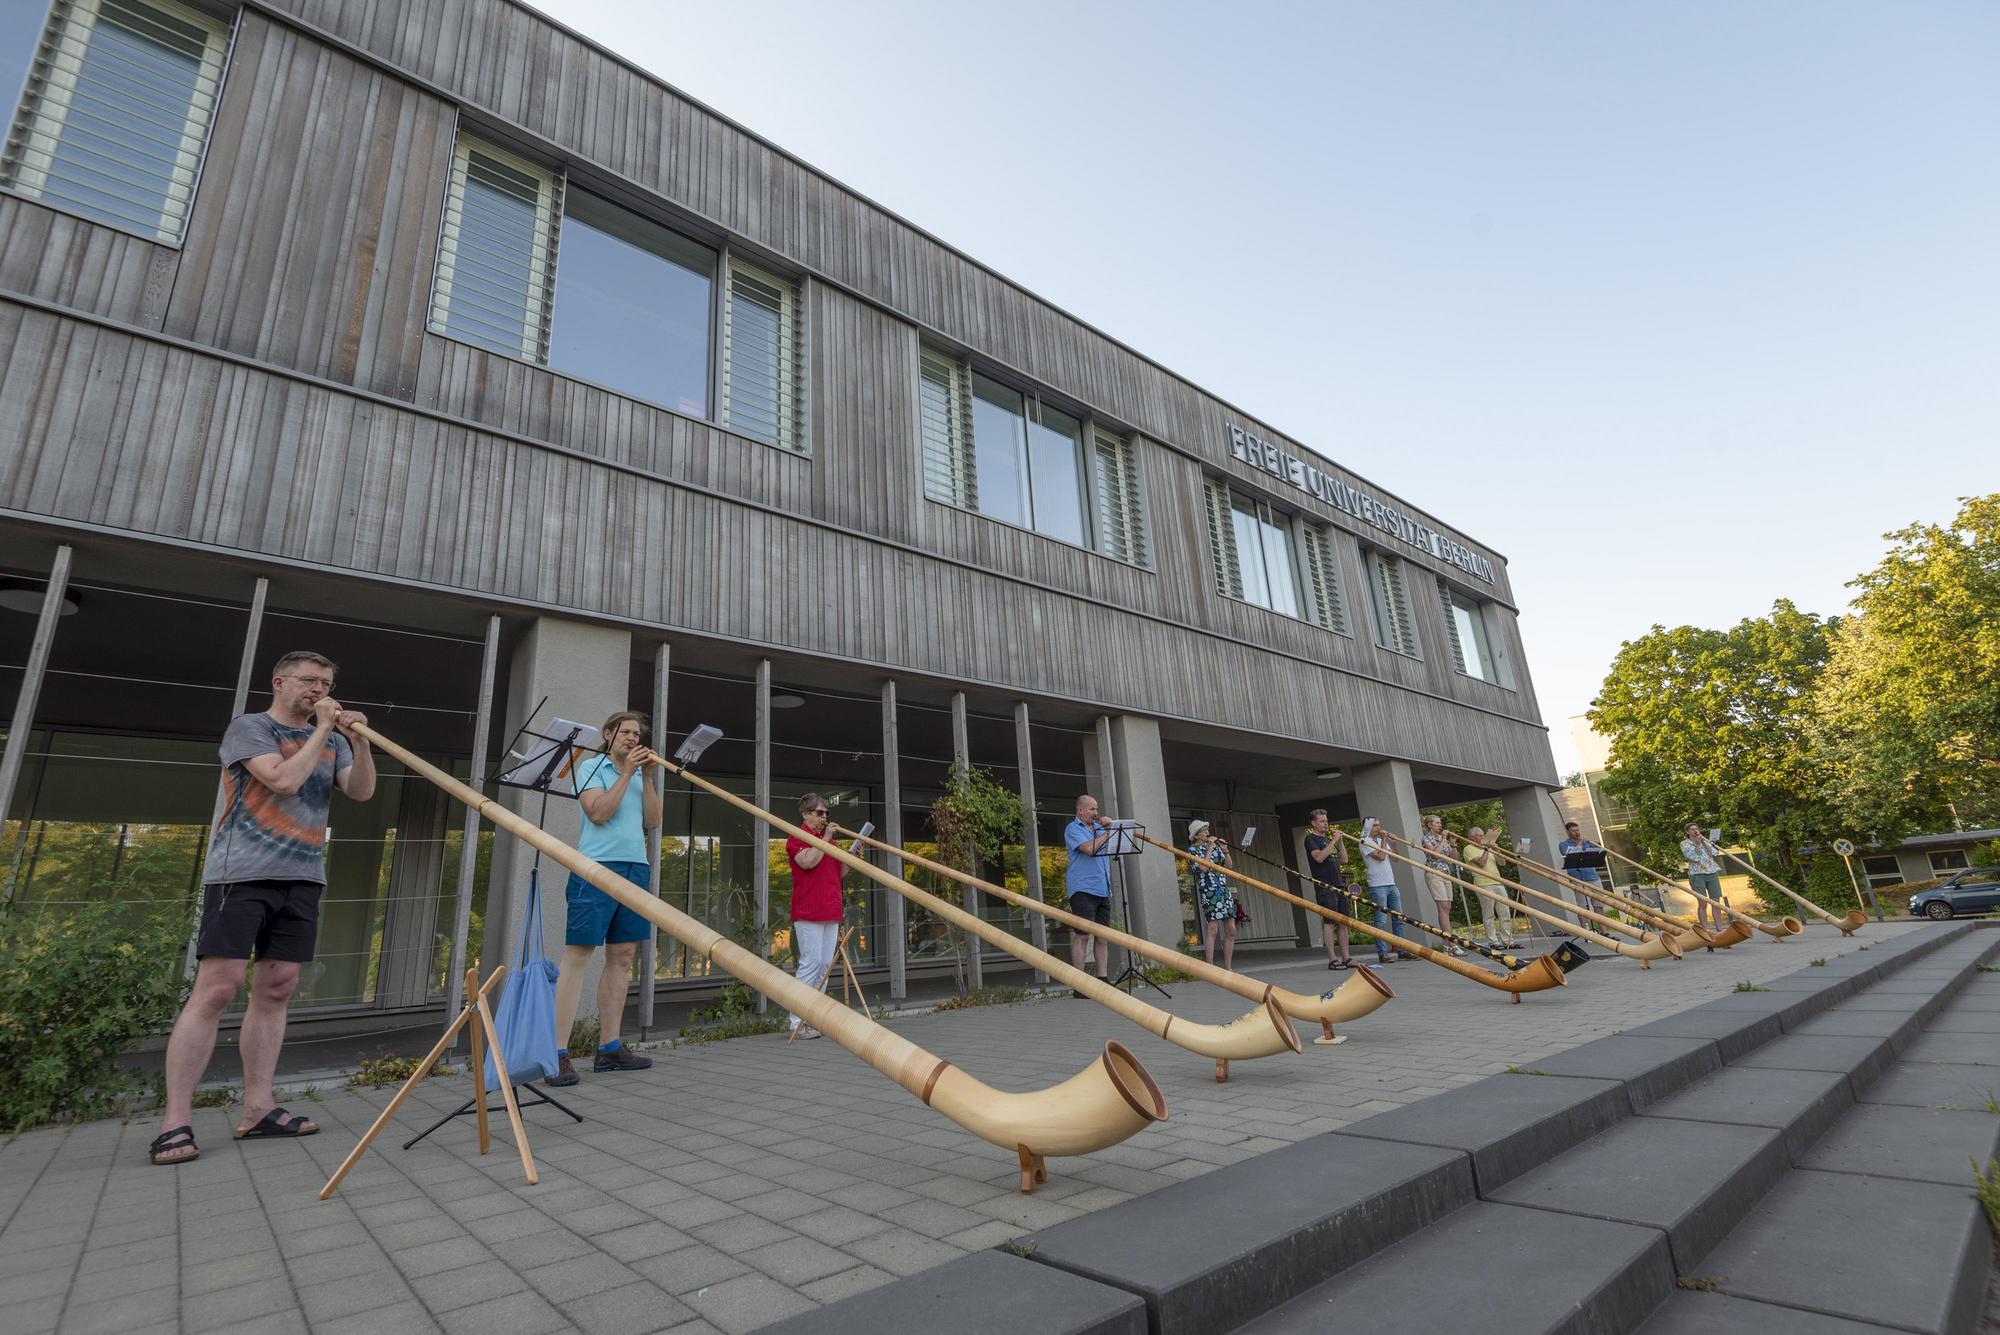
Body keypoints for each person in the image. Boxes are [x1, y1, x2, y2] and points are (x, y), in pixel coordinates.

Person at [151, 651, 377, 1166]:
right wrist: (323, 729)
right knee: (217, 989)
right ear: (280, 682)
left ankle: (258, 1110)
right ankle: (175, 1121)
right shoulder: (250, 728)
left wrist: (358, 743)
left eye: (326, 683)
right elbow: (282, 780)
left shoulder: (337, 740)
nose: (318, 690)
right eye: (308, 681)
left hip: (302, 876)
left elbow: (361, 792)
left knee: (277, 988)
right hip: (241, 875)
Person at [547, 710, 662, 1086]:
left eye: (637, 734)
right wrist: (627, 771)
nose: (633, 738)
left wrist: (645, 777)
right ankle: (557, 1052)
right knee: (579, 954)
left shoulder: (638, 774)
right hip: (595, 867)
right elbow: (597, 813)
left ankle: (609, 1047)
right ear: (608, 735)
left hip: (635, 868)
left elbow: (653, 820)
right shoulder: (591, 766)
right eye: (625, 732)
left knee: (623, 957)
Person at [784, 794, 844, 1039]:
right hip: (809, 910)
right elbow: (807, 862)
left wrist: (851, 855)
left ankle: (815, 1018)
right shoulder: (796, 836)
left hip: (830, 908)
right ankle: (797, 1021)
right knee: (810, 963)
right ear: (805, 814)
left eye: (826, 813)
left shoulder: (826, 841)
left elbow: (839, 873)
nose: (824, 818)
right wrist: (827, 839)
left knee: (825, 967)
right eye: (819, 813)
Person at [1064, 795, 1115, 995]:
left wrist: (1111, 826)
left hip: (1103, 888)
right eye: (1092, 809)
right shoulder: (1072, 829)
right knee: (1082, 936)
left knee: (1102, 936)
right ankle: (1080, 984)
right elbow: (1089, 849)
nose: (1096, 813)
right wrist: (1106, 833)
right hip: (1082, 889)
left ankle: (1102, 979)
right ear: (1081, 811)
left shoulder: (1100, 828)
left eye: (1097, 809)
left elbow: (1115, 843)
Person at [1359, 818, 1416, 964]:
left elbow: (1395, 858)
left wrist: (1393, 842)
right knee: (1381, 920)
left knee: (1399, 919)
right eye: (1375, 825)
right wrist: (1384, 838)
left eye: (1379, 825)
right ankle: (1382, 953)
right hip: (1378, 886)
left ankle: (1401, 950)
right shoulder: (1364, 841)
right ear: (1368, 827)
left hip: (1391, 884)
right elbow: (1380, 856)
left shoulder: (1380, 841)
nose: (1379, 827)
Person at [1302, 809, 1352, 969]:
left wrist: (1340, 841)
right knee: (1329, 922)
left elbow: (1344, 860)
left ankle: (1347, 958)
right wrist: (1332, 842)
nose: (1326, 824)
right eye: (1322, 821)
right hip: (1325, 885)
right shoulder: (1310, 839)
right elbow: (1319, 857)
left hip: (1339, 884)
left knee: (1344, 923)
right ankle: (1332, 959)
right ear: (1314, 823)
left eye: (1326, 820)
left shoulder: (1330, 840)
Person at [1188, 819, 1236, 970]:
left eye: (1207, 830)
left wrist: (1225, 849)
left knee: (1231, 929)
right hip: (1209, 891)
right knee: (1213, 928)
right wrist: (1209, 848)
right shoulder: (1192, 851)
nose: (1207, 833)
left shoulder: (1216, 848)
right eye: (1203, 831)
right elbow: (1203, 867)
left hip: (1223, 889)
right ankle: (1210, 968)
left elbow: (1228, 867)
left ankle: (1228, 968)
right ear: (1196, 835)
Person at [1461, 826, 1515, 948]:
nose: (1482, 838)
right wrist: (1486, 849)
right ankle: (1493, 942)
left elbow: (1502, 863)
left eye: (1482, 835)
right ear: (1471, 837)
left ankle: (1508, 941)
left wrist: (1497, 850)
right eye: (1479, 836)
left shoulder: (1487, 847)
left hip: (1498, 882)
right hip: (1483, 884)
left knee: (1505, 913)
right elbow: (1481, 863)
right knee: (1489, 915)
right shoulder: (1468, 849)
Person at [1420, 815, 1465, 956]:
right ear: (1429, 825)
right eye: (1437, 823)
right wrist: (1443, 839)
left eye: (1440, 823)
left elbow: (1454, 858)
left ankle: (1447, 945)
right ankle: (1451, 944)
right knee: (1443, 907)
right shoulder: (1426, 838)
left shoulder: (1443, 840)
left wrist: (1453, 844)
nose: (1440, 825)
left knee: (1448, 907)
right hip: (1434, 873)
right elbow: (1435, 855)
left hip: (1446, 873)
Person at [1681, 823, 1727, 932]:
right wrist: (1697, 844)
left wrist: (1704, 843)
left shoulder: (1705, 841)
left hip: (1711, 872)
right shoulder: (1685, 844)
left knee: (1715, 901)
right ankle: (1705, 929)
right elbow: (1693, 857)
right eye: (1692, 829)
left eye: (1697, 829)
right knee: (1703, 902)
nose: (1695, 831)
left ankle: (1719, 929)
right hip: (1697, 875)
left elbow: (1713, 853)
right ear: (1687, 832)